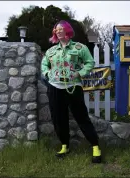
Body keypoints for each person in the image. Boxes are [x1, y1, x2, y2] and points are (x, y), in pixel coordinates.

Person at [41, 20, 102, 164]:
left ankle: (95, 146)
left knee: (82, 117)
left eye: (61, 29)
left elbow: (90, 63)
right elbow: (44, 65)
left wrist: (79, 73)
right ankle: (65, 145)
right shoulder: (51, 51)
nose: (57, 31)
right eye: (56, 29)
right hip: (55, 88)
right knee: (58, 118)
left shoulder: (80, 48)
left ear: (67, 31)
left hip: (73, 87)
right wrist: (47, 74)